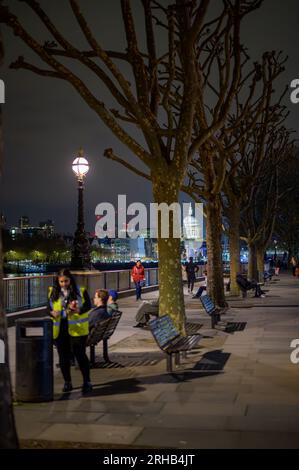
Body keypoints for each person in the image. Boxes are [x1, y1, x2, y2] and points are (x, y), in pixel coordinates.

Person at [48, 269, 92, 394]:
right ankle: (67, 382)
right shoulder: (52, 292)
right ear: (57, 281)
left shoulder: (80, 291)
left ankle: (87, 381)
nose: (63, 284)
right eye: (61, 281)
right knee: (63, 358)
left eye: (66, 281)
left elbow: (88, 305)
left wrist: (78, 310)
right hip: (60, 329)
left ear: (70, 279)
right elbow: (48, 308)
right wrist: (52, 312)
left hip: (77, 329)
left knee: (80, 355)